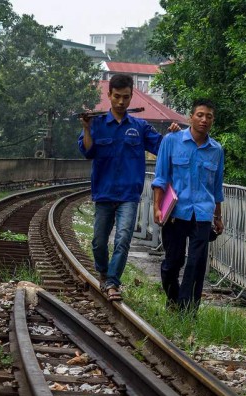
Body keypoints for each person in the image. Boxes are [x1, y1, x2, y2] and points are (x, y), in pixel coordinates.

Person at [77, 73, 179, 301]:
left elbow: (161, 148)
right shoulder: (98, 124)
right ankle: (103, 272)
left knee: (123, 239)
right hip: (103, 193)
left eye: (126, 97)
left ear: (132, 96)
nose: (121, 102)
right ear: (109, 95)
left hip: (129, 195)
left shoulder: (140, 127)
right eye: (117, 97)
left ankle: (113, 282)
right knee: (98, 242)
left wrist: (172, 135)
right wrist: (86, 128)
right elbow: (87, 151)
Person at [152, 98, 224, 313]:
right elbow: (160, 177)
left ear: (213, 121)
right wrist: (157, 207)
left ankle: (187, 312)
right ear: (190, 117)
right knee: (171, 264)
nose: (204, 120)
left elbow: (217, 187)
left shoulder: (216, 150)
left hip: (202, 213)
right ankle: (174, 300)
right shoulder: (171, 141)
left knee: (196, 264)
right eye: (200, 115)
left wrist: (218, 217)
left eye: (209, 117)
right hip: (176, 212)